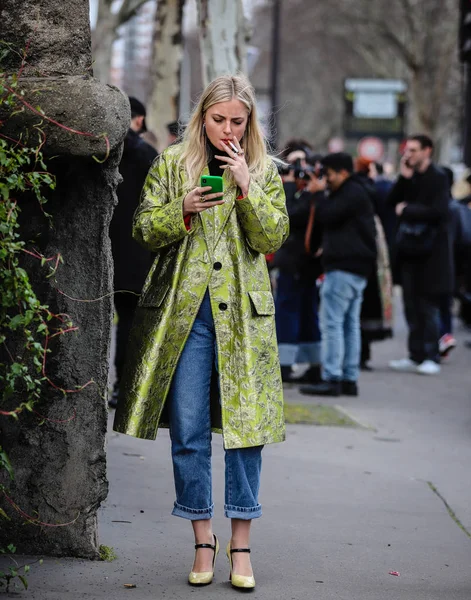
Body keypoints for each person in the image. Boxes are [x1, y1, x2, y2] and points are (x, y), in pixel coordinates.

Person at [113, 74, 289, 589]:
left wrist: (246, 187)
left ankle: (242, 545)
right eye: (219, 120)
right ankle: (202, 538)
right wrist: (183, 210)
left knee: (245, 432)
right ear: (202, 118)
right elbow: (143, 229)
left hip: (244, 320)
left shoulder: (263, 170)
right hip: (185, 317)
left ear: (250, 122)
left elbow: (272, 237)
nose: (228, 129)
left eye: (238, 121)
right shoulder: (171, 162)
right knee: (188, 432)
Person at [300, 152, 377, 397]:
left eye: (329, 174)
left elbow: (326, 216)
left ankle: (332, 377)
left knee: (332, 324)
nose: (326, 179)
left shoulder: (351, 193)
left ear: (343, 172)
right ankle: (349, 378)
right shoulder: (358, 191)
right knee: (349, 325)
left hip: (343, 267)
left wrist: (318, 194)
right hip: (357, 268)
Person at [108, 96, 158, 408]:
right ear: (137, 120)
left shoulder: (104, 150)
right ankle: (126, 385)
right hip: (137, 254)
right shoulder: (145, 155)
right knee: (132, 321)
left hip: (105, 249)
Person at [388, 135, 452, 375]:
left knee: (428, 307)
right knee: (410, 306)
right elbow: (390, 202)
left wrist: (407, 209)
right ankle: (415, 355)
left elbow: (439, 211)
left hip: (431, 255)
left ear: (428, 151)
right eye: (407, 150)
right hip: (409, 253)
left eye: (414, 150)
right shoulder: (410, 178)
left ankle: (431, 355)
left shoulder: (438, 177)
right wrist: (403, 179)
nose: (408, 155)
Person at [272, 143, 323, 384]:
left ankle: (290, 364)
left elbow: (289, 215)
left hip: (301, 262)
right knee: (295, 311)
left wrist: (291, 185)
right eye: (292, 163)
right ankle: (302, 363)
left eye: (302, 163)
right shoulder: (295, 190)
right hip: (295, 261)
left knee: (295, 312)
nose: (298, 169)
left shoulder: (312, 192)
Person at [354, 158, 393, 371]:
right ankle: (362, 355)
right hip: (373, 255)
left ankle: (355, 358)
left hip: (357, 255)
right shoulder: (374, 190)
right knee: (366, 308)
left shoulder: (353, 190)